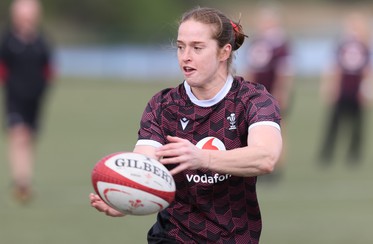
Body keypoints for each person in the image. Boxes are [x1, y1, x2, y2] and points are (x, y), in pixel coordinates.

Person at [90, 6, 282, 243]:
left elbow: (266, 158)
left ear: (224, 52)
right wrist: (128, 194)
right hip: (173, 235)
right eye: (181, 46)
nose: (185, 56)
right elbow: (145, 161)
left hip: (234, 236)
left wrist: (202, 158)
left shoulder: (253, 100)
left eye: (197, 47)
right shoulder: (163, 105)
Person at [0, 0, 53, 203]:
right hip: (15, 98)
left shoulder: (41, 42)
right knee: (18, 135)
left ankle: (25, 179)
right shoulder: (8, 41)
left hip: (36, 99)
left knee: (29, 137)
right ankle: (20, 180)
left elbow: (48, 69)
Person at [318, 11, 373, 165]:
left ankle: (354, 154)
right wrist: (331, 86)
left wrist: (369, 90)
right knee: (334, 121)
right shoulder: (342, 44)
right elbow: (334, 67)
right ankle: (327, 152)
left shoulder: (367, 45)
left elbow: (370, 70)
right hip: (343, 89)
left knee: (357, 124)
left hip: (357, 90)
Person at [244, 8, 293, 180]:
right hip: (258, 94)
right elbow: (251, 68)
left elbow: (284, 72)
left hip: (273, 93)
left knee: (277, 130)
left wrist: (281, 93)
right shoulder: (257, 42)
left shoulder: (280, 44)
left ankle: (277, 167)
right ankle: (258, 165)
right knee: (254, 130)